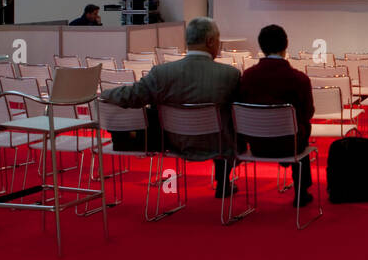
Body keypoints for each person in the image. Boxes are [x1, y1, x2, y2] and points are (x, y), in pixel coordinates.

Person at [99, 17, 240, 197]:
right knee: (227, 120)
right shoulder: (230, 75)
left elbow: (132, 96)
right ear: (210, 41)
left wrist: (103, 94)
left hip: (173, 142)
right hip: (218, 144)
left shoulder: (162, 73)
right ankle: (223, 182)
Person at [234, 24, 315, 207]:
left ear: (261, 47)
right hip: (291, 146)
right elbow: (308, 113)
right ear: (286, 46)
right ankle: (301, 191)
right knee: (302, 127)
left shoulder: (248, 76)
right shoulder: (298, 79)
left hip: (256, 144)